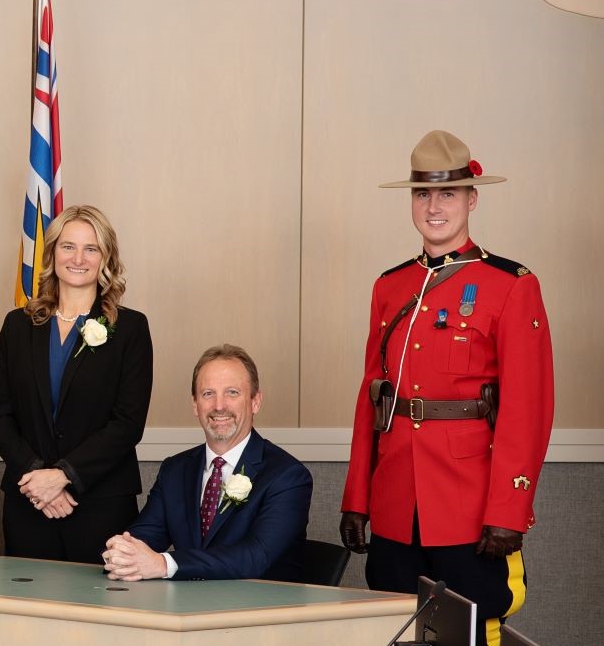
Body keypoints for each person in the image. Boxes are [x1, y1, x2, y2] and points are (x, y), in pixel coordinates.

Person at [340, 131, 553, 645]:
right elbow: (373, 398)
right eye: (422, 194)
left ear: (472, 199)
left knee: (471, 629)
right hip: (396, 498)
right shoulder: (389, 287)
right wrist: (358, 497)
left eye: (448, 194)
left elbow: (529, 407)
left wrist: (508, 510)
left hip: (467, 503)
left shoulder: (511, 284)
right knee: (394, 626)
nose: (433, 207)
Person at [0, 204, 153, 564]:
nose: (78, 258)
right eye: (68, 246)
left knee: (103, 612)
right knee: (28, 614)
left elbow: (127, 424)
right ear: (52, 253)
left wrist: (64, 476)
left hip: (100, 503)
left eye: (91, 249)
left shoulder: (130, 329)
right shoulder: (17, 326)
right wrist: (38, 479)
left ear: (105, 258)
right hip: (29, 502)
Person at [102, 345, 310, 581]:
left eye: (232, 392)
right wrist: (123, 553)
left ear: (255, 402)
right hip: (185, 611)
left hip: (261, 613)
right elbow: (143, 536)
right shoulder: (175, 470)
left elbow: (255, 557)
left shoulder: (287, 476)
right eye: (208, 394)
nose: (219, 406)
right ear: (195, 405)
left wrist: (164, 564)